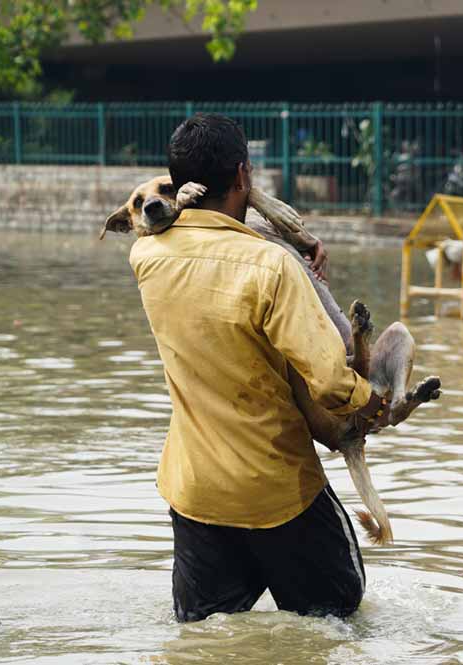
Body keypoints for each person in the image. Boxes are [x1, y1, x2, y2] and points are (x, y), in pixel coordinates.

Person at [128, 113, 390, 622]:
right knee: (339, 623)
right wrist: (374, 405)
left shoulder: (146, 258)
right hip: (278, 493)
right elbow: (332, 382)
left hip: (195, 492)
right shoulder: (271, 265)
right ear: (244, 176)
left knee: (206, 638)